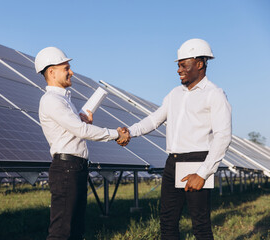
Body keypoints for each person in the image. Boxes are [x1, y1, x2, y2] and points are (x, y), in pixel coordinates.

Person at [121, 39, 232, 239]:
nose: (179, 70)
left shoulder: (214, 94)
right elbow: (154, 119)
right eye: (178, 65)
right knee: (168, 222)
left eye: (183, 65)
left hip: (197, 161)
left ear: (199, 64)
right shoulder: (174, 94)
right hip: (172, 162)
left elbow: (222, 136)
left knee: (200, 224)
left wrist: (203, 173)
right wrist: (129, 131)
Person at [35, 47, 129, 240]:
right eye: (66, 68)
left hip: (75, 168)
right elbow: (82, 131)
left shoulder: (65, 100)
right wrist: (116, 134)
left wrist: (81, 122)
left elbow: (77, 128)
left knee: (75, 230)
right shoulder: (51, 100)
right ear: (51, 72)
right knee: (61, 231)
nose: (71, 72)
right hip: (66, 169)